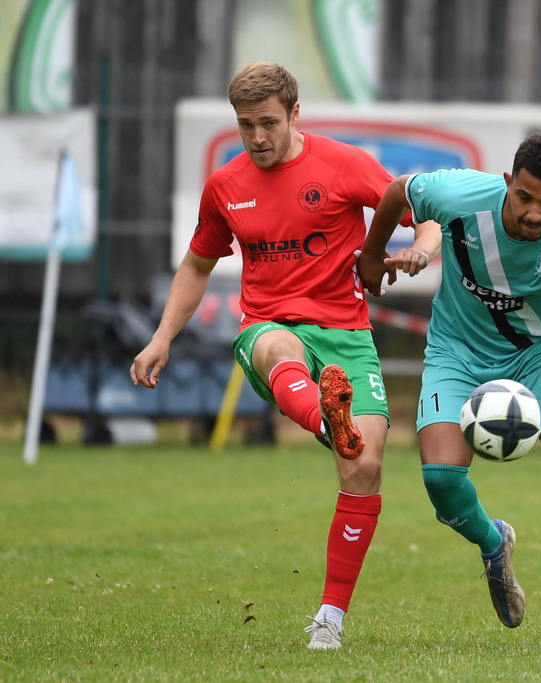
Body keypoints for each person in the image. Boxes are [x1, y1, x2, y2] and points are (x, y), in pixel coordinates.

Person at [130, 61, 441, 649]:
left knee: (366, 469)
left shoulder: (342, 165)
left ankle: (330, 619)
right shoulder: (226, 186)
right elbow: (198, 264)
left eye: (268, 123)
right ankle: (328, 416)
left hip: (346, 333)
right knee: (280, 347)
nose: (258, 138)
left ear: (296, 113)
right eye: (246, 126)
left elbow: (422, 221)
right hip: (268, 326)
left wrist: (420, 253)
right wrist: (161, 336)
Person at [357, 132, 541, 647]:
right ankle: (492, 540)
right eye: (524, 197)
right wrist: (372, 254)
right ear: (507, 183)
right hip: (456, 351)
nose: (534, 213)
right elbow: (396, 192)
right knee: (440, 479)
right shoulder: (460, 194)